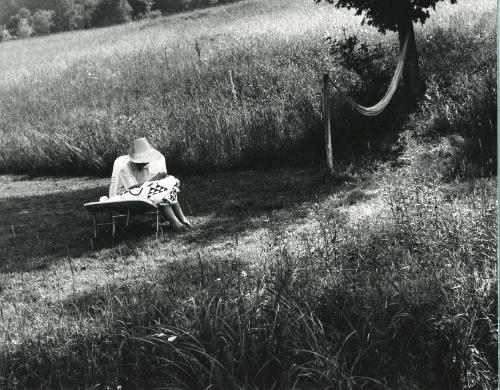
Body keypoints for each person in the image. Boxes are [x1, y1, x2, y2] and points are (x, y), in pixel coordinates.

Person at [108, 137, 191, 230]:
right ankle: (176, 223)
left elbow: (146, 186)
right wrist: (154, 180)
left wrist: (162, 179)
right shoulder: (125, 168)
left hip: (142, 193)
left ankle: (181, 219)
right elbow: (132, 189)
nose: (144, 162)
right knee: (160, 193)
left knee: (167, 186)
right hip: (126, 197)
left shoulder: (148, 166)